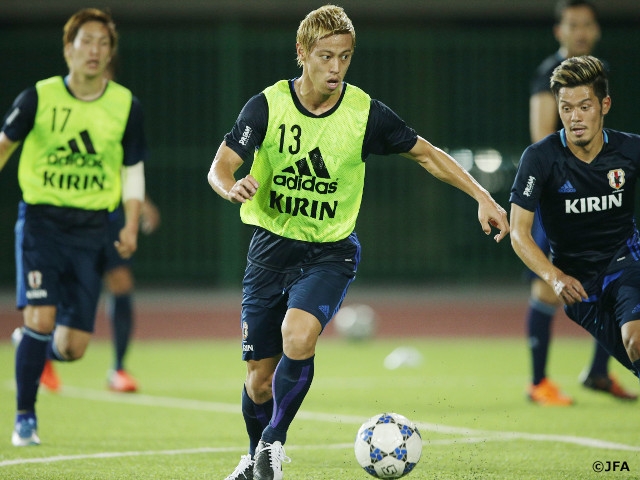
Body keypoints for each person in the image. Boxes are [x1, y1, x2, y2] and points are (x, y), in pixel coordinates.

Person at [207, 5, 509, 479]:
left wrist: (482, 196)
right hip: (269, 250)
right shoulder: (266, 106)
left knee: (298, 335)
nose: (336, 68)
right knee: (258, 381)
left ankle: (272, 444)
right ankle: (254, 459)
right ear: (302, 54)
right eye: (326, 56)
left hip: (329, 252)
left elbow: (427, 155)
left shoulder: (365, 113)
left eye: (345, 57)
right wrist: (232, 186)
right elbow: (221, 165)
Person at [0, 8, 147, 446]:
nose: (94, 51)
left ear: (110, 53)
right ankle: (25, 416)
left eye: (103, 43)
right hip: (42, 223)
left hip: (92, 230)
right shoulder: (38, 98)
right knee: (42, 317)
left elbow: (133, 170)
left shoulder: (125, 105)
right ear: (69, 48)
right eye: (86, 41)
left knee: (71, 348)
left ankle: (30, 343)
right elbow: (5, 145)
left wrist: (132, 224)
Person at [510, 55, 640, 416]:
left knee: (637, 339)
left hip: (626, 262)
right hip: (578, 287)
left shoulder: (630, 150)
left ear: (605, 105)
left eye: (584, 107)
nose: (575, 117)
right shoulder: (540, 158)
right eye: (566, 108)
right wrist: (554, 276)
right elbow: (519, 234)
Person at [36, 54, 161, 394]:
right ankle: (42, 353)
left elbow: (128, 164)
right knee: (65, 293)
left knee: (121, 280)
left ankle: (118, 368)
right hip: (74, 218)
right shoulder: (62, 107)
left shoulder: (120, 109)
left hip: (112, 215)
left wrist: (142, 204)